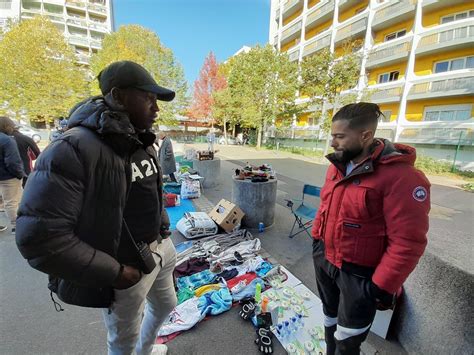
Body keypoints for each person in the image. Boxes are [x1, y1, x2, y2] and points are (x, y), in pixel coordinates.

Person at [16, 61, 178, 355]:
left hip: (160, 250)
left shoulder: (141, 139)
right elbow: (39, 237)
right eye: (148, 98)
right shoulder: (72, 148)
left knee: (167, 305)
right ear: (117, 96)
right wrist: (115, 272)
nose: (156, 108)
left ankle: (145, 349)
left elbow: (147, 193)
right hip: (126, 269)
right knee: (122, 342)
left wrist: (163, 228)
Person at [311, 103, 430, 355]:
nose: (332, 143)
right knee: (329, 317)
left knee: (349, 337)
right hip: (325, 260)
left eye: (339, 136)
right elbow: (325, 208)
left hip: (359, 274)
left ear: (365, 136)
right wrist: (317, 243)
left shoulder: (402, 178)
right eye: (332, 135)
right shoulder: (337, 165)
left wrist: (380, 287)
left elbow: (408, 242)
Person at [0, 116, 25, 233]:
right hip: (8, 176)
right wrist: (20, 174)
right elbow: (12, 161)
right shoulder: (7, 140)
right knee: (12, 202)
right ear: (7, 126)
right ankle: (16, 226)